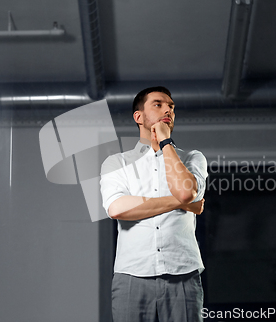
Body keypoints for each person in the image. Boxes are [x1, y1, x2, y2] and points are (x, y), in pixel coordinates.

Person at [100, 86, 208, 322]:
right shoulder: (116, 162)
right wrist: (182, 203)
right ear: (138, 117)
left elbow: (185, 191)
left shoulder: (193, 158)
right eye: (158, 104)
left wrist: (166, 142)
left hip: (183, 274)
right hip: (131, 275)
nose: (167, 109)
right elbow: (117, 208)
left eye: (171, 106)